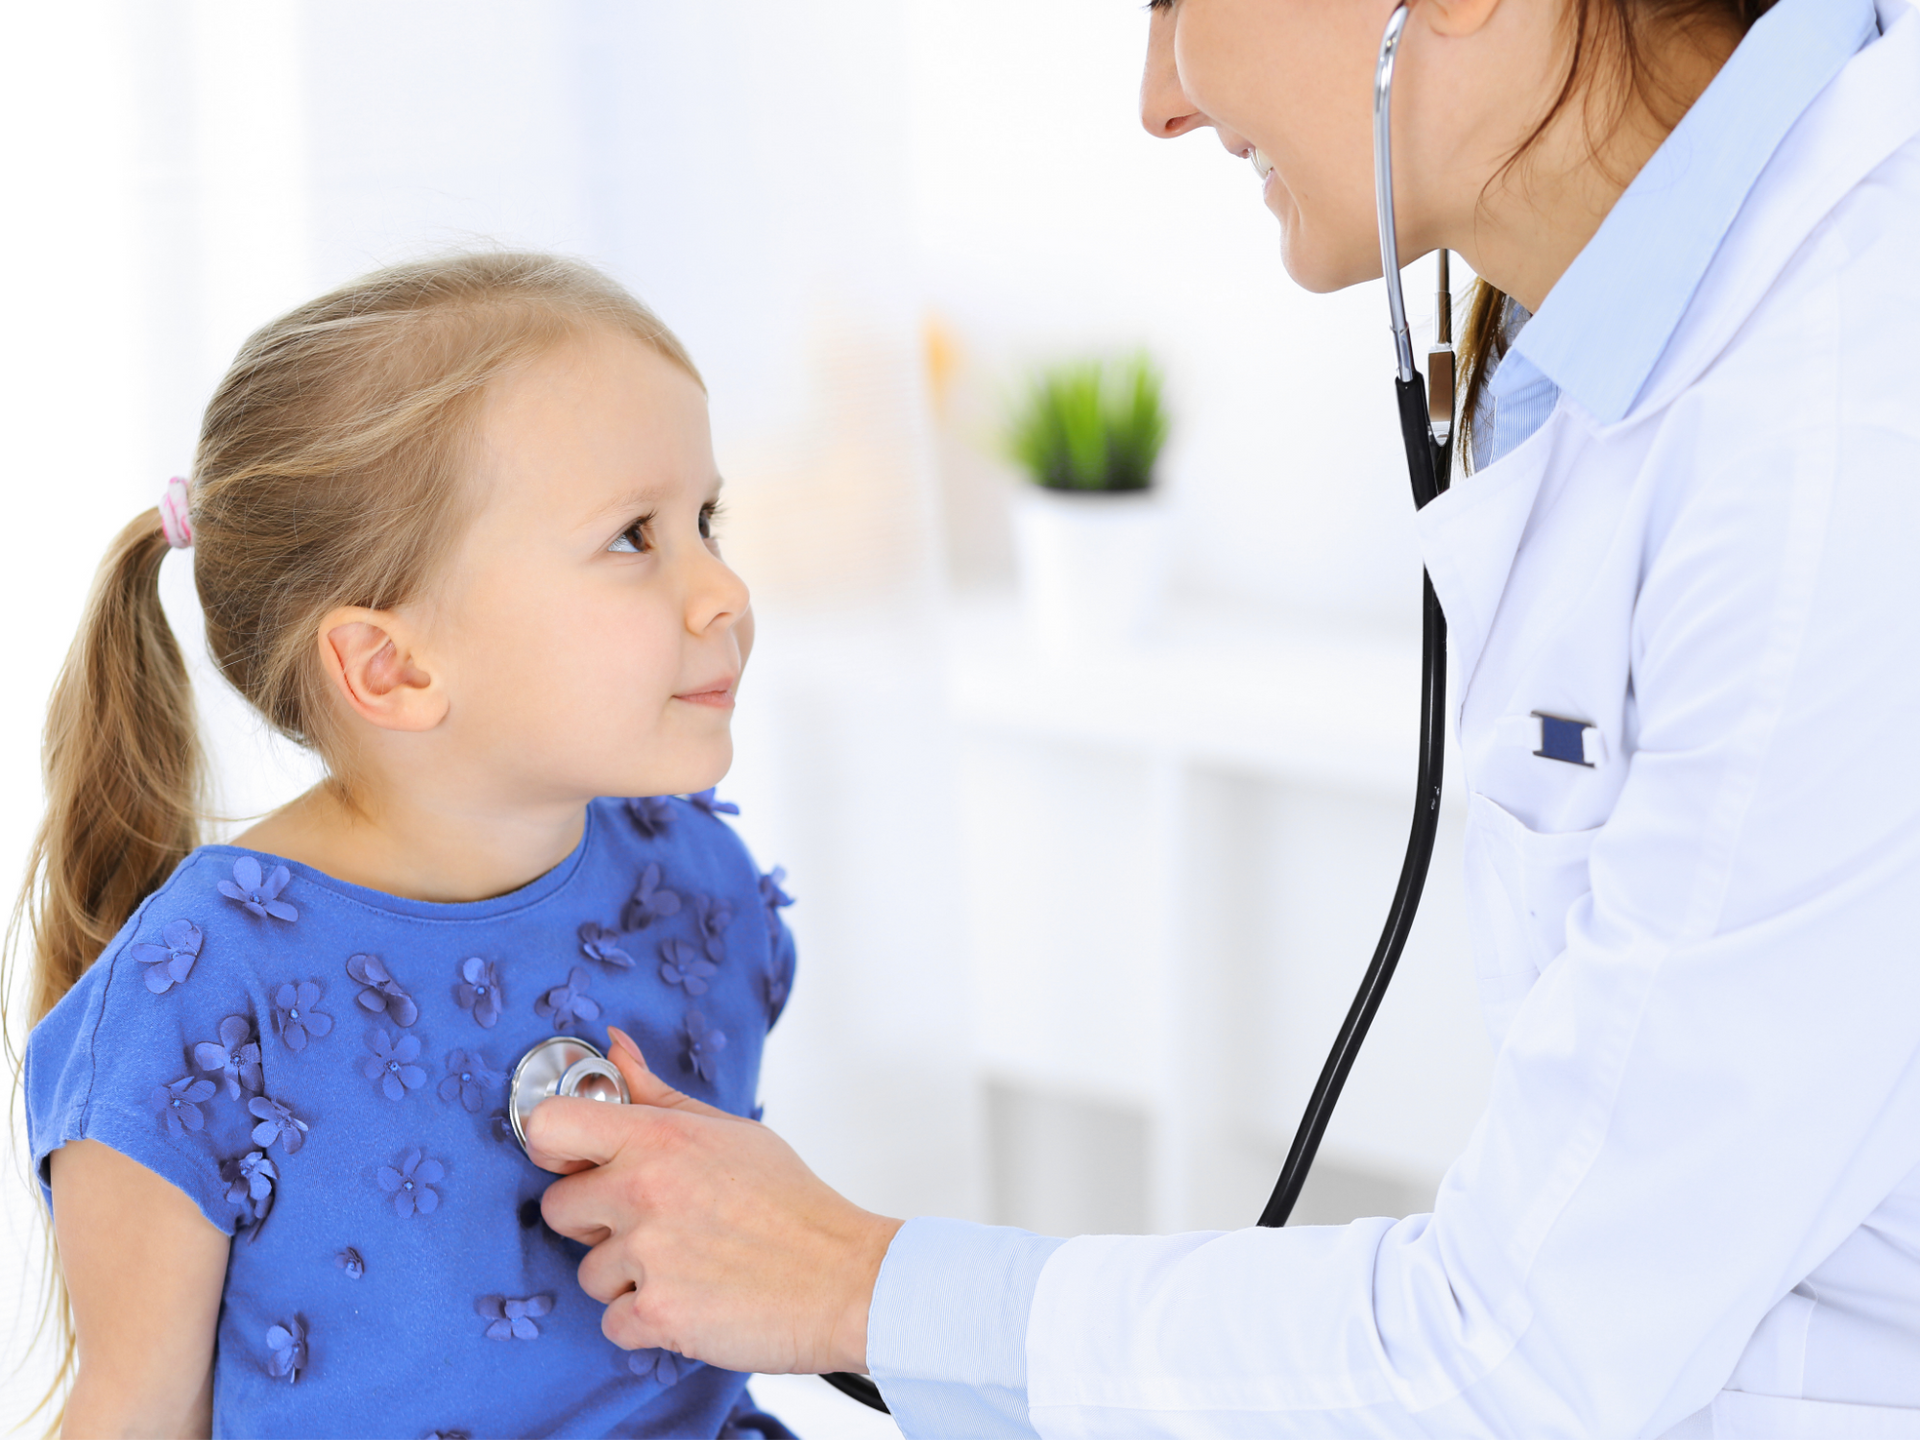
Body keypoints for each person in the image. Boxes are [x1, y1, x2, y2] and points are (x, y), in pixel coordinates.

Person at [524, 0, 1920, 1435]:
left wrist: (852, 1282)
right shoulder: (1648, 345)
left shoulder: (1842, 454)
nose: (1159, 101)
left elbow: (1524, 1352)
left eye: (1172, 2)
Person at [14, 252, 802, 1441]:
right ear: (393, 666)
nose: (723, 591)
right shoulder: (203, 1000)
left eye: (706, 518)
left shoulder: (692, 880)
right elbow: (133, 1419)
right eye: (635, 538)